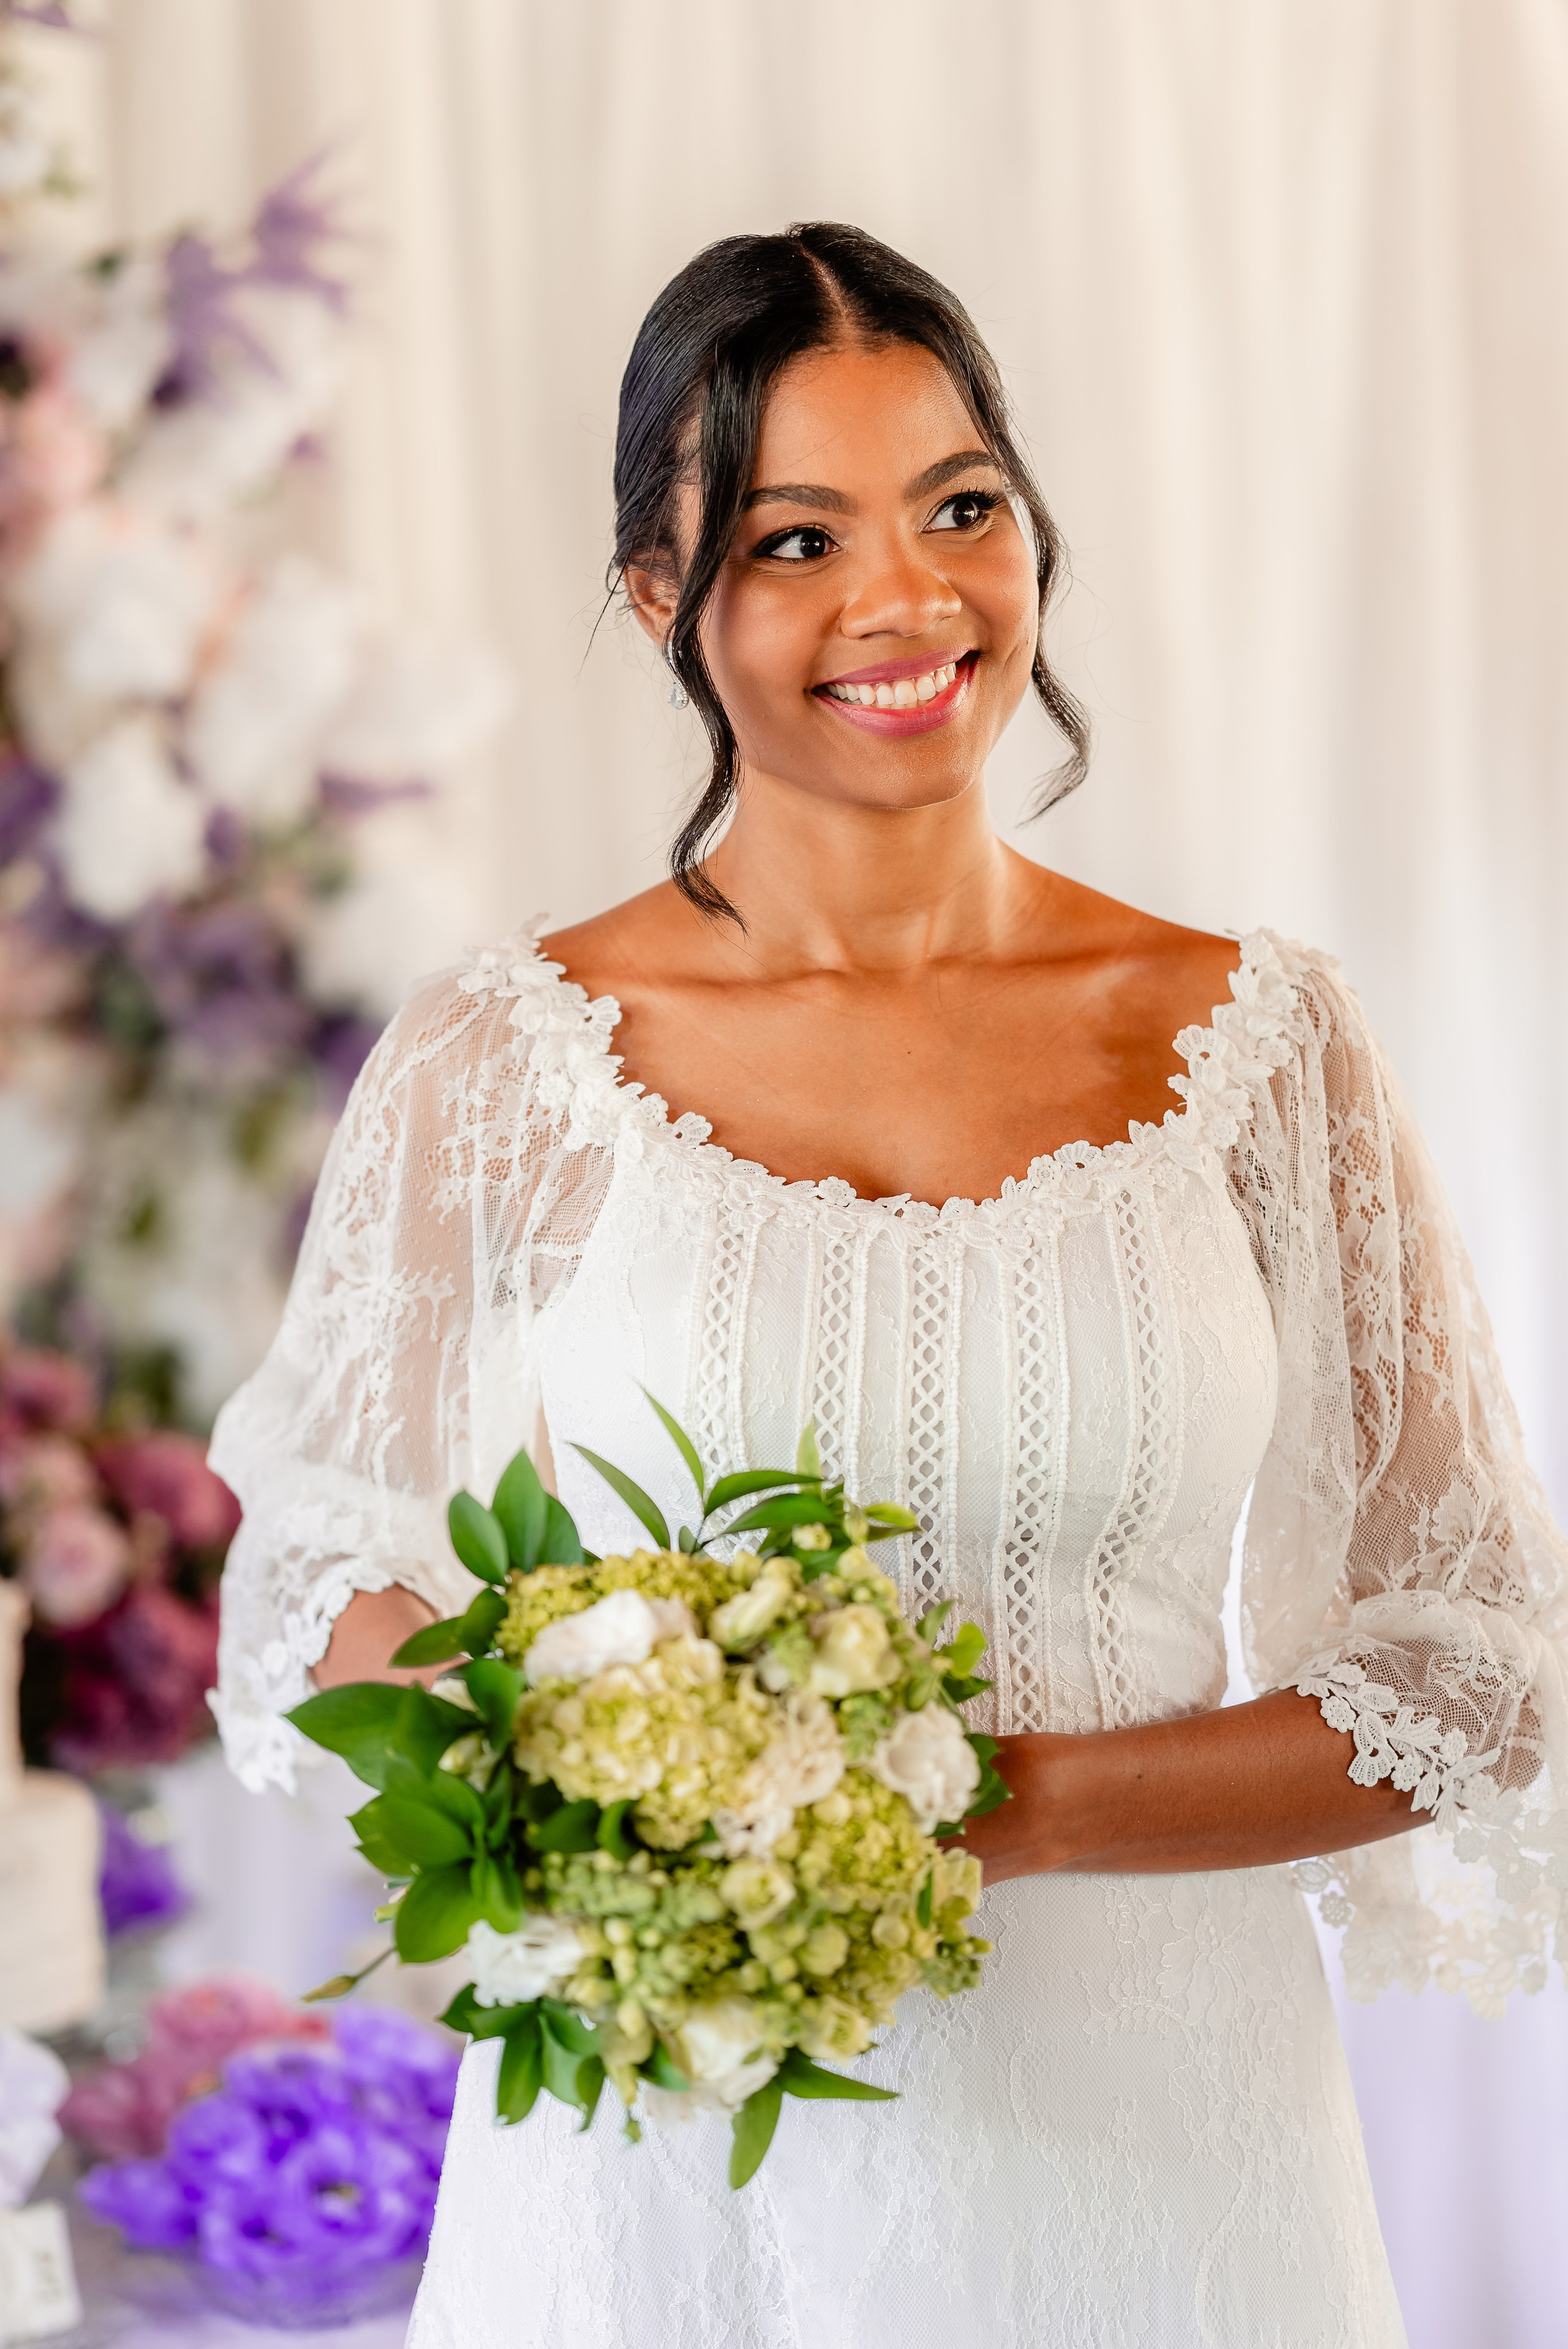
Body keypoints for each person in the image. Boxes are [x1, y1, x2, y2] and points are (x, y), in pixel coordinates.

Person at [210, 224, 1567, 2349]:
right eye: (793, 537)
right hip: (672, 2155)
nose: (906, 600)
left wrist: (990, 1805)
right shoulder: (505, 1055)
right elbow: (310, 1572)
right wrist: (602, 1758)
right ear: (661, 599)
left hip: (1167, 2154)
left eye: (959, 506)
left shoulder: (1264, 1042)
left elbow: (1478, 1660)